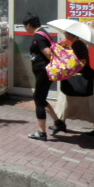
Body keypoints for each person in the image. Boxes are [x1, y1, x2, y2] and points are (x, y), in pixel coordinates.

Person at [52, 31, 94, 138]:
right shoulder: (78, 44)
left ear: (71, 34)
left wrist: (72, 69)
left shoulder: (77, 44)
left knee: (66, 102)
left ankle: (60, 124)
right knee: (70, 103)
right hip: (82, 80)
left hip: (79, 79)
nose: (65, 35)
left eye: (66, 33)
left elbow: (82, 61)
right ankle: (60, 123)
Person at [22, 13, 65, 141]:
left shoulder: (38, 36)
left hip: (43, 73)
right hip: (44, 73)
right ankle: (58, 122)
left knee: (38, 101)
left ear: (29, 25)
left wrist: (51, 65)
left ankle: (41, 132)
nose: (25, 28)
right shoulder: (44, 32)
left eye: (25, 26)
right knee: (41, 98)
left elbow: (48, 53)